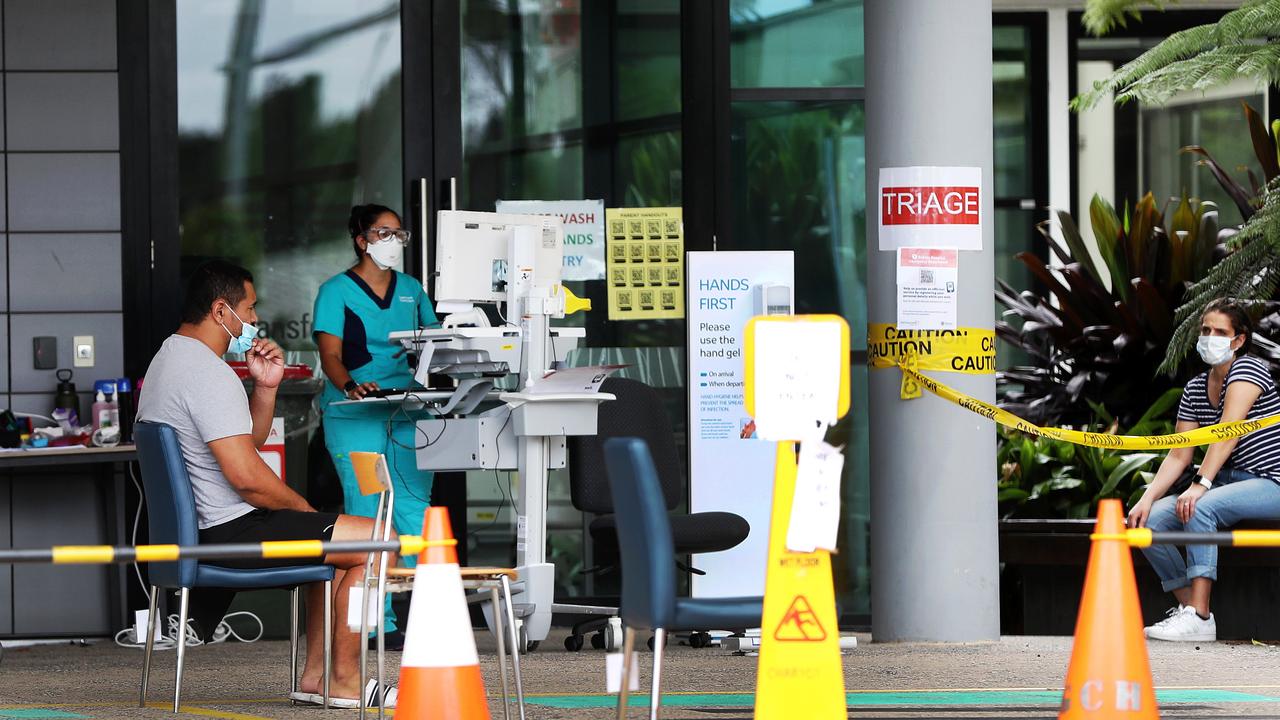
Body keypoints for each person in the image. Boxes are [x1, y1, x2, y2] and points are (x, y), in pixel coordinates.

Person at [136, 260, 394, 708]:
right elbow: (247, 479)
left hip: (207, 529)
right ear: (221, 310)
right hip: (230, 531)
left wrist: (265, 388)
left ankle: (317, 678)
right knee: (378, 540)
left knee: (336, 543)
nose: (254, 320)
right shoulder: (205, 372)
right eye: (249, 308)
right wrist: (308, 514)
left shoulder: (172, 358)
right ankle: (347, 680)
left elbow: (246, 441)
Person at [313, 204, 438, 643]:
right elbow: (329, 354)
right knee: (369, 515)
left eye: (398, 233)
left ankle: (435, 618)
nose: (393, 241)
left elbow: (437, 342)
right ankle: (373, 626)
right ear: (360, 239)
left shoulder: (411, 289)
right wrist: (349, 385)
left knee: (414, 511)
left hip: (404, 413)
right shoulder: (336, 291)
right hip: (355, 417)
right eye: (383, 232)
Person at [1127, 297, 1280, 642]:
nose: (1210, 337)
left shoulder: (1249, 370)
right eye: (1206, 330)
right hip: (1224, 483)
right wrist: (1147, 498)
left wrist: (1200, 484)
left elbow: (1227, 432)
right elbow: (1179, 455)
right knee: (1147, 523)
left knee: (1200, 506)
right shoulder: (1196, 388)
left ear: (1239, 340)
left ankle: (1199, 615)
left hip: (1269, 480)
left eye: (1220, 332)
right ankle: (1191, 611)